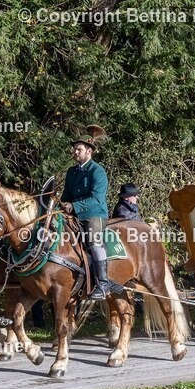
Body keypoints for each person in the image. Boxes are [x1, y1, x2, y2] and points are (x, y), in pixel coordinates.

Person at [61, 125, 111, 300]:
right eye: (74, 149)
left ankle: (103, 284)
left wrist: (74, 207)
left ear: (89, 151)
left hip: (94, 215)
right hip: (73, 215)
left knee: (94, 242)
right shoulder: (71, 172)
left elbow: (97, 199)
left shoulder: (98, 171)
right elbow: (66, 195)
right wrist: (61, 206)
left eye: (79, 149)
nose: (75, 152)